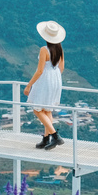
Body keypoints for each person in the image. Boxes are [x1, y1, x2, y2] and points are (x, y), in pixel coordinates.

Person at [25, 20, 65, 150]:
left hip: (45, 80)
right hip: (56, 79)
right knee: (47, 110)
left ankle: (55, 136)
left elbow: (40, 70)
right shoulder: (60, 49)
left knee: (37, 109)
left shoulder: (44, 50)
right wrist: (55, 78)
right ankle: (46, 139)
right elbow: (62, 68)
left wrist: (29, 85)